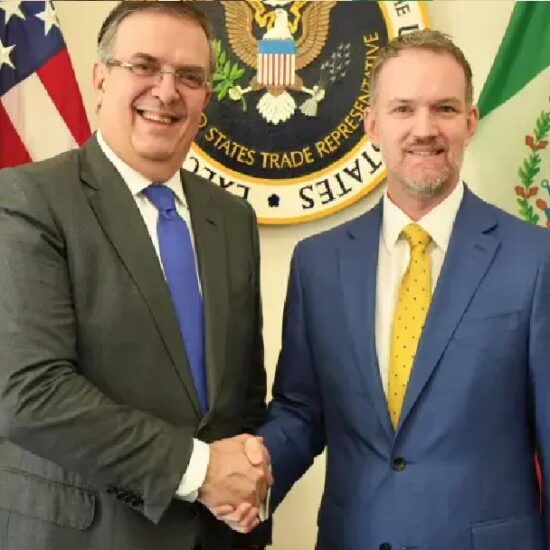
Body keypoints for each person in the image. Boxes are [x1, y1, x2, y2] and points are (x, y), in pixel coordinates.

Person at [222, 29, 550, 549]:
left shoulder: (536, 259)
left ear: (470, 122)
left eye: (444, 108)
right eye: (403, 109)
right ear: (372, 124)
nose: (424, 128)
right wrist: (249, 477)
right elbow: (302, 410)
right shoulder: (318, 263)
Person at [0, 2, 271, 549]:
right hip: (85, 536)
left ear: (205, 97)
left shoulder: (231, 217)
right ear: (101, 78)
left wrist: (246, 494)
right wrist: (200, 471)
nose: (167, 92)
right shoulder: (29, 199)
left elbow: (242, 393)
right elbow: (29, 393)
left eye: (189, 76)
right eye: (144, 66)